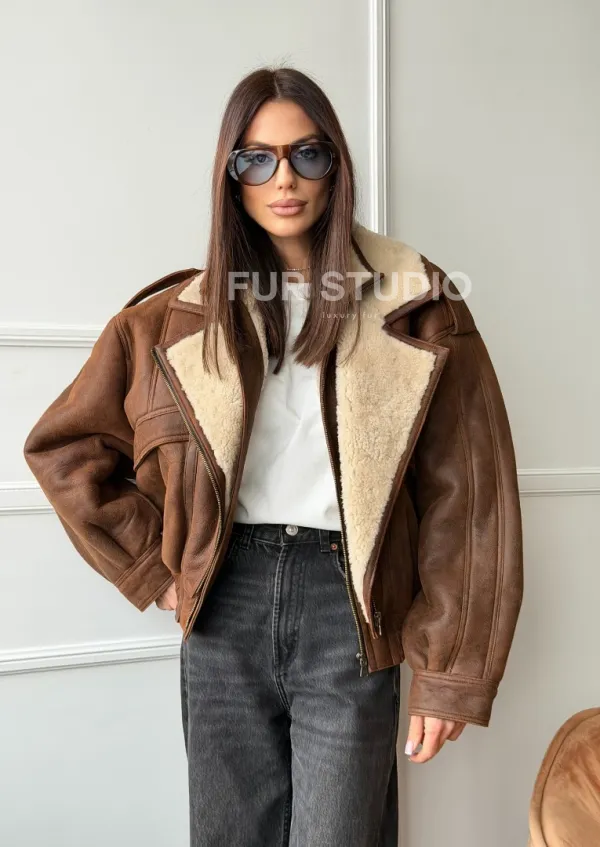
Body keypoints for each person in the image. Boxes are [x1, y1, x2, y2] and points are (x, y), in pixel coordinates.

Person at [23, 66, 524, 846]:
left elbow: (471, 495)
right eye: (256, 158)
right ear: (231, 174)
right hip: (224, 604)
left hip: (348, 607)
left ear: (336, 166)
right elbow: (63, 447)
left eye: (306, 154)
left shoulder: (418, 306)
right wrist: (156, 571)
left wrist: (450, 669)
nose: (283, 179)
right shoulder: (169, 322)